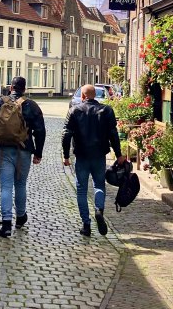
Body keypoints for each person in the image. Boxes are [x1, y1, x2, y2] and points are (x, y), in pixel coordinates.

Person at [0, 76, 46, 237]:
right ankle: (20, 217)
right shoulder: (31, 105)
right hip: (24, 150)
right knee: (20, 184)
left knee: (5, 186)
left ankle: (5, 224)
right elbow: (40, 130)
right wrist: (38, 152)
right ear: (24, 89)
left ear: (11, 87)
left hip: (3, 150)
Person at [62, 83, 125, 237]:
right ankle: (99, 209)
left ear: (82, 96)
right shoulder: (106, 110)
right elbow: (113, 134)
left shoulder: (74, 110)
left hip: (82, 155)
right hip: (99, 155)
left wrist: (65, 155)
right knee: (99, 185)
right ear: (93, 95)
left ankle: (86, 225)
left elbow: (66, 134)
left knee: (82, 190)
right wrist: (119, 155)